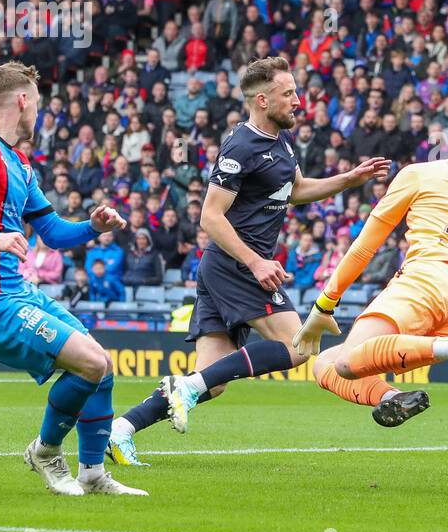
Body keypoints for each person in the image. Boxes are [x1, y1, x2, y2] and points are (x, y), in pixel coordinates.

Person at [109, 58, 389, 462]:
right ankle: (183, 390)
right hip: (235, 265)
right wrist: (256, 262)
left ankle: (122, 429)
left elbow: (295, 190)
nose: (298, 101)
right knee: (298, 346)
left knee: (212, 382)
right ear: (262, 99)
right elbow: (210, 215)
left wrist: (348, 180)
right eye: (288, 93)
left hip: (226, 267)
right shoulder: (241, 145)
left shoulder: (280, 141)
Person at [0, 63, 143, 496]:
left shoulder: (20, 163)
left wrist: (93, 227)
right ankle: (45, 452)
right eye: (37, 104)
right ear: (23, 100)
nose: (38, 114)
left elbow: (54, 232)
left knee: (101, 365)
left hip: (16, 290)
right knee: (91, 362)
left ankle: (93, 474)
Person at [296, 113, 448, 427]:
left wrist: (325, 303)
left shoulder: (422, 173)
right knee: (325, 364)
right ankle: (390, 397)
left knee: (344, 363)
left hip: (426, 281)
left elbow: (365, 246)